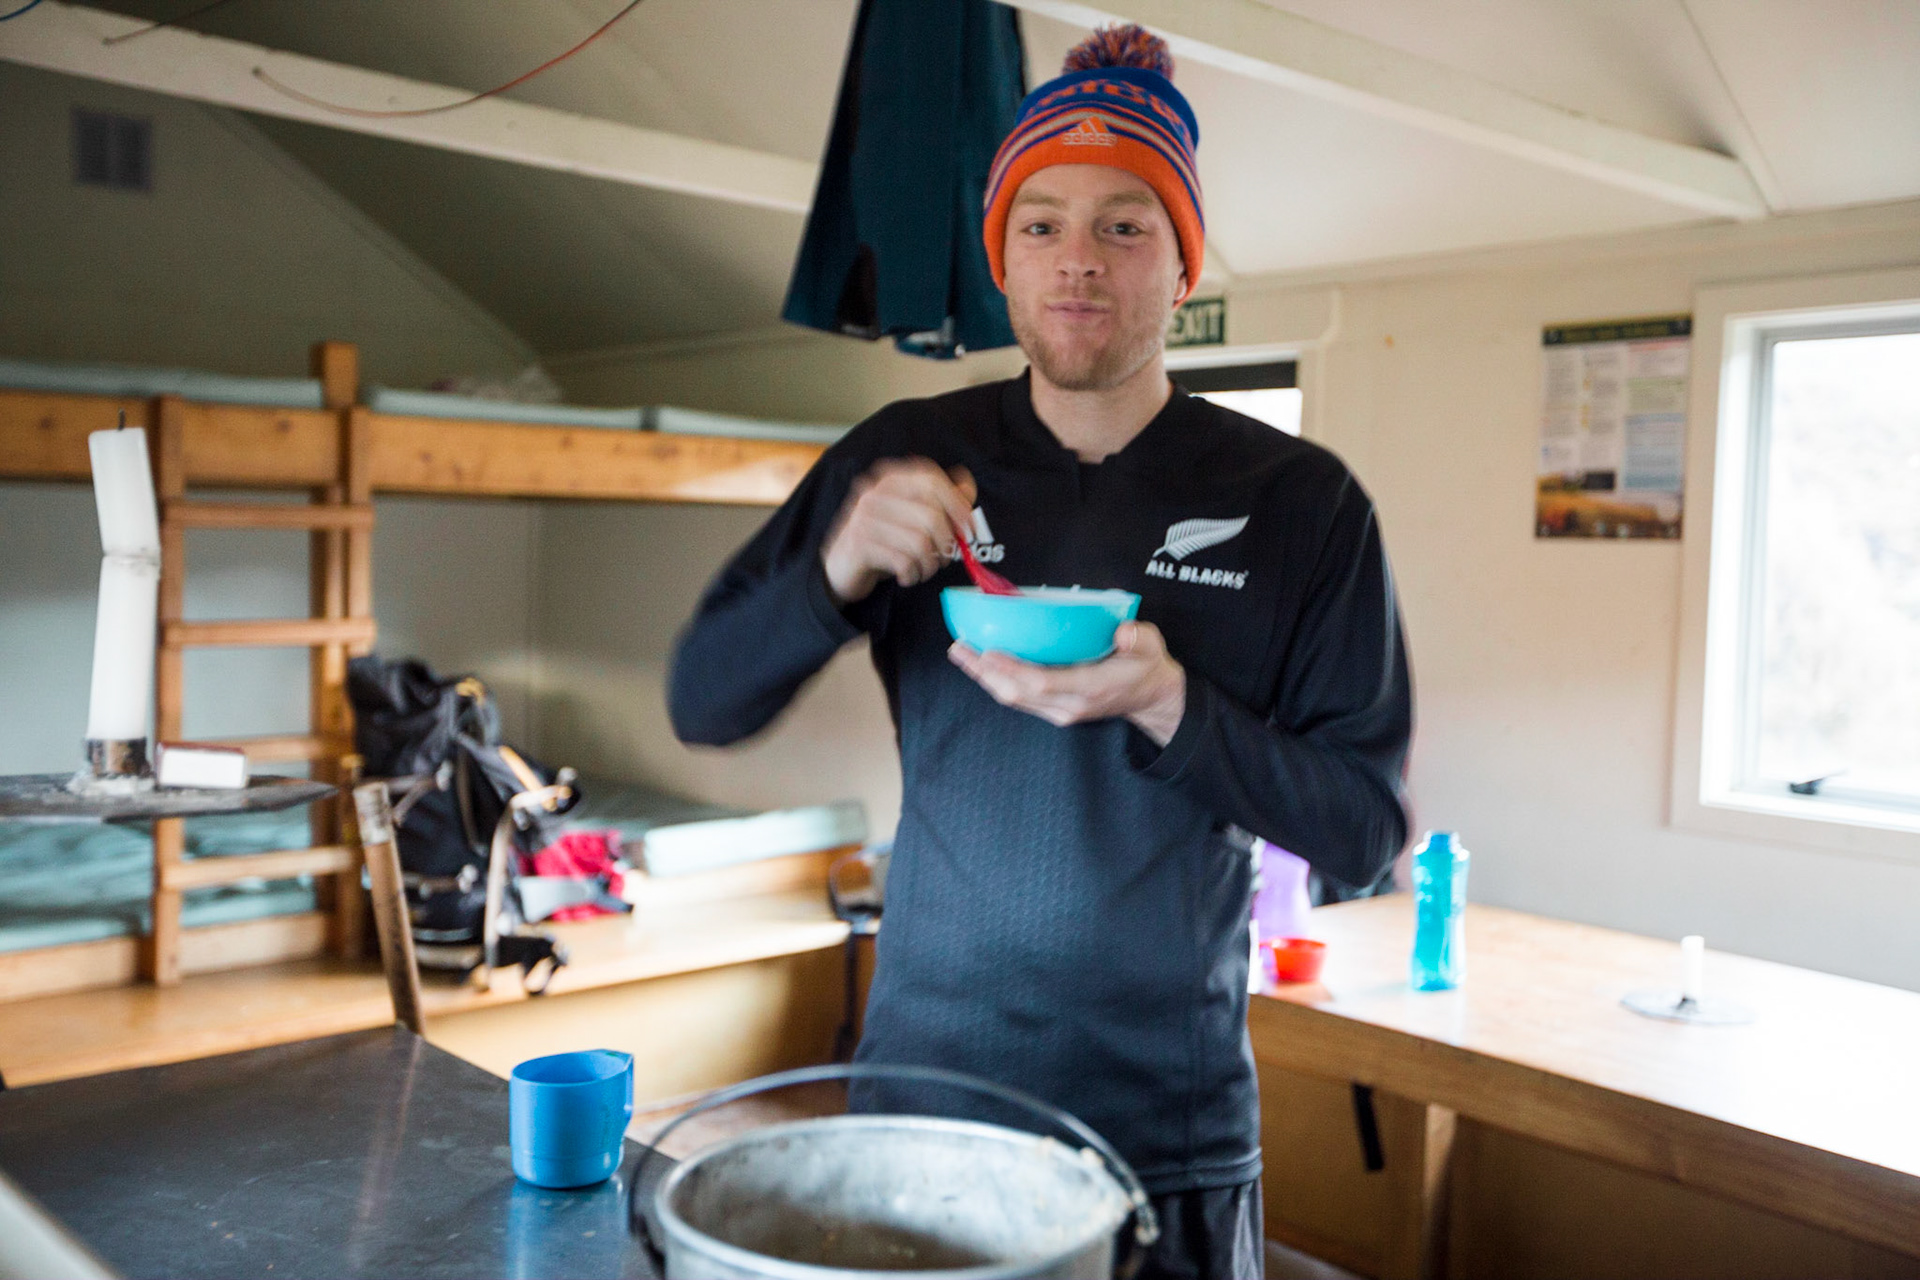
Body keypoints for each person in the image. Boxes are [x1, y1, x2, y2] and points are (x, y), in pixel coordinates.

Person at [669, 25, 1412, 1280]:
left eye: (1126, 225)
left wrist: (1175, 708)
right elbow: (702, 698)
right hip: (925, 1107)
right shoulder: (902, 455)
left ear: (1183, 265)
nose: (1079, 260)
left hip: (1167, 1132)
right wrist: (834, 571)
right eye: (1042, 223)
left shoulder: (1301, 500)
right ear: (1001, 259)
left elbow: (1366, 832)